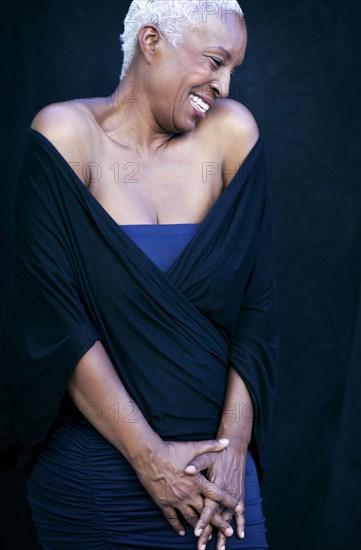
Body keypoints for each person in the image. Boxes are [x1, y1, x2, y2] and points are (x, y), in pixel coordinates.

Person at [0, 1, 279, 549]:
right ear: (151, 42)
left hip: (218, 482)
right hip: (101, 475)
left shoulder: (231, 135)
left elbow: (257, 310)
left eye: (233, 69)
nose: (224, 85)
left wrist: (233, 454)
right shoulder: (66, 136)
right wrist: (150, 458)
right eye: (215, 61)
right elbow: (57, 325)